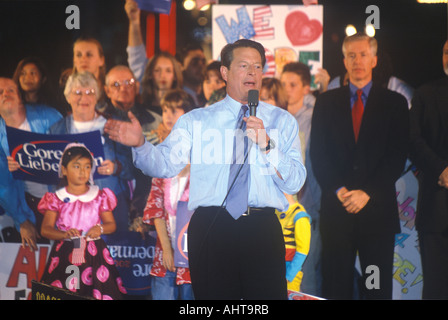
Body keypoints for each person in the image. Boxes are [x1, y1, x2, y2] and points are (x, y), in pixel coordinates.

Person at [104, 39, 306, 300]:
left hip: (262, 228)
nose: (252, 73)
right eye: (244, 65)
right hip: (211, 226)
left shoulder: (282, 120)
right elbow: (163, 165)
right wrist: (141, 143)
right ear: (225, 72)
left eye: (258, 66)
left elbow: (296, 183)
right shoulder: (197, 120)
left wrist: (268, 145)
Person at [310, 33, 409, 300]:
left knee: (376, 288)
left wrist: (368, 193)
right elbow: (318, 154)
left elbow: (397, 156)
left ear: (374, 59)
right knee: (335, 286)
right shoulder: (326, 102)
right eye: (351, 55)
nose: (358, 61)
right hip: (337, 209)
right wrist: (338, 189)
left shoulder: (395, 103)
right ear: (344, 60)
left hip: (377, 213)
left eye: (363, 54)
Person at [38, 143, 127, 300]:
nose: (82, 172)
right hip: (65, 253)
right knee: (66, 292)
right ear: (64, 169)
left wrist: (99, 228)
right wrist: (64, 234)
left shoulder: (99, 196)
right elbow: (45, 229)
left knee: (95, 292)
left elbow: (111, 225)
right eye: (77, 166)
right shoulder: (56, 198)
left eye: (87, 167)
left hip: (95, 255)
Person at [49, 72, 133, 232]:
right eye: (78, 93)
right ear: (68, 97)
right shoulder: (57, 130)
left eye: (90, 93)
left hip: (110, 210)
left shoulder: (114, 125)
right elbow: (50, 173)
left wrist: (116, 167)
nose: (84, 98)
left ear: (97, 97)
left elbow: (133, 167)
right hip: (70, 211)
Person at [142, 89, 195, 300]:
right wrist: (166, 248)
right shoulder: (161, 154)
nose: (169, 115)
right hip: (166, 249)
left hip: (194, 252)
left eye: (175, 110)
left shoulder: (205, 154)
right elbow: (155, 207)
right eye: (165, 110)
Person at [1, 77, 62, 251]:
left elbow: (74, 152)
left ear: (20, 95)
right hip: (29, 206)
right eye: (0, 93)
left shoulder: (50, 116)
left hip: (63, 202)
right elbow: (3, 186)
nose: (6, 94)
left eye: (11, 90)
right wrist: (22, 221)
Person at [409, 39, 448, 299]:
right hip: (436, 208)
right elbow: (412, 140)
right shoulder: (425, 94)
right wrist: (441, 169)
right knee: (435, 286)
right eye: (446, 52)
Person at [280, 62, 322, 296]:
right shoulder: (278, 114)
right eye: (283, 83)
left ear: (306, 87)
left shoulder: (315, 115)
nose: (287, 89)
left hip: (308, 204)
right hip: (282, 209)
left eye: (293, 84)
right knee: (285, 273)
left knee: (305, 271)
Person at [103, 65, 162, 233]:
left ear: (136, 86)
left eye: (128, 82)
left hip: (147, 201)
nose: (123, 88)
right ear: (106, 91)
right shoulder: (99, 122)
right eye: (116, 84)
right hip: (111, 202)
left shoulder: (157, 120)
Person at [275, 194, 311, 293]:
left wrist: (289, 275)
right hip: (275, 270)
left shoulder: (299, 215)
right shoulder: (276, 211)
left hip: (289, 274)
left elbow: (303, 251)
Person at [71, 37, 108, 112]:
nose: (83, 59)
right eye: (79, 55)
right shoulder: (65, 91)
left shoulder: (110, 91)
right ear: (74, 61)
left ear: (101, 60)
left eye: (89, 55)